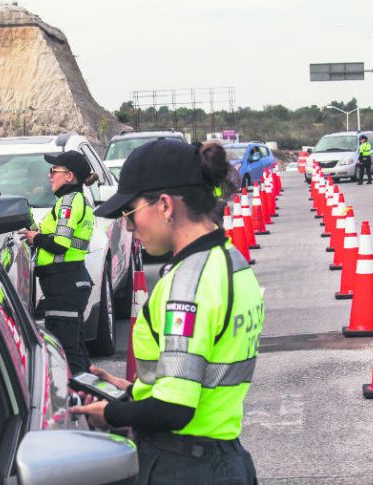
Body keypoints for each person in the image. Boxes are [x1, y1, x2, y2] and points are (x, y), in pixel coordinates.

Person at [71, 140, 263, 485]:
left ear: (164, 206)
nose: (128, 227)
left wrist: (112, 412)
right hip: (224, 458)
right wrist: (136, 391)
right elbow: (199, 375)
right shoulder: (231, 262)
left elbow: (174, 409)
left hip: (183, 466)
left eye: (129, 214)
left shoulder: (187, 286)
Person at [18, 150, 98, 375]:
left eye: (54, 171)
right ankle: (83, 397)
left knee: (67, 352)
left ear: (69, 176)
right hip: (68, 281)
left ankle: (77, 401)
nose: (49, 176)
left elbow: (60, 244)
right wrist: (33, 227)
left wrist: (37, 238)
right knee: (75, 348)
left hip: (65, 282)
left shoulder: (69, 202)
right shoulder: (72, 201)